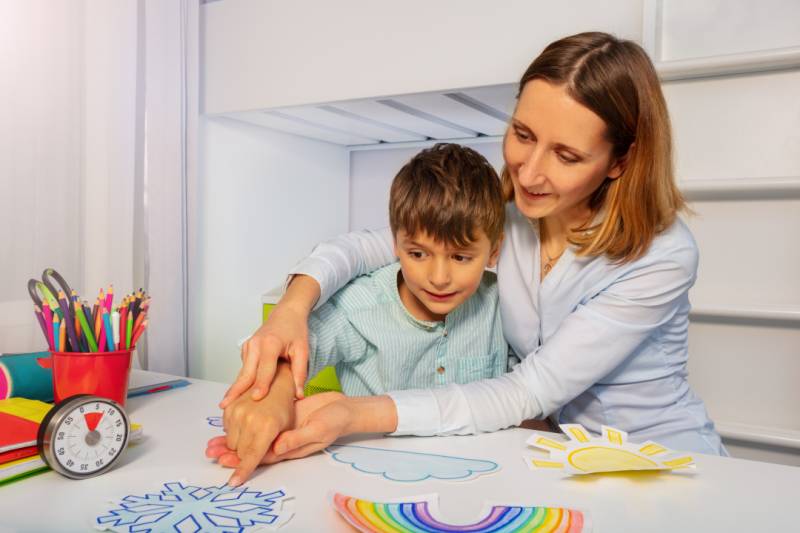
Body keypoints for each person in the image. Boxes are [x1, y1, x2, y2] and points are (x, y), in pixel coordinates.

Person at [210, 31, 727, 486]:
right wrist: (292, 310)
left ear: (621, 161)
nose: (528, 173)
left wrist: (352, 414)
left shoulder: (663, 255)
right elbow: (369, 245)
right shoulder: (511, 216)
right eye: (523, 135)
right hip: (556, 459)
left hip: (660, 459)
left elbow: (530, 389)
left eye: (566, 156)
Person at [210, 143, 511, 484]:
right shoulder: (362, 304)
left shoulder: (503, 306)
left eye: (460, 258)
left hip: (481, 479)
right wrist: (274, 397)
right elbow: (296, 346)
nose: (438, 278)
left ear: (494, 251)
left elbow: (524, 396)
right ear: (394, 245)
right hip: (367, 478)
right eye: (417, 254)